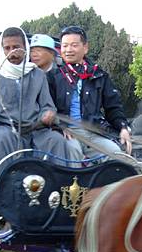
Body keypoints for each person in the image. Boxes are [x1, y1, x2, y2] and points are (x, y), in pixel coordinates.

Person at [0, 26, 69, 207]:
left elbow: (48, 106)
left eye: (16, 47)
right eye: (7, 48)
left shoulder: (37, 74)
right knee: (1, 141)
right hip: (4, 129)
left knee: (57, 141)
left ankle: (60, 206)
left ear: (25, 48)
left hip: (36, 130)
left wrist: (49, 114)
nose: (12, 52)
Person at [48, 25, 132, 160]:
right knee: (72, 151)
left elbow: (113, 107)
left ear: (85, 47)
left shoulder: (99, 75)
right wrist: (59, 127)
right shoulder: (53, 76)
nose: (68, 50)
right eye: (64, 46)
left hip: (93, 131)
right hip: (67, 132)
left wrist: (123, 127)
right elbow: (47, 108)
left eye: (74, 45)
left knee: (117, 155)